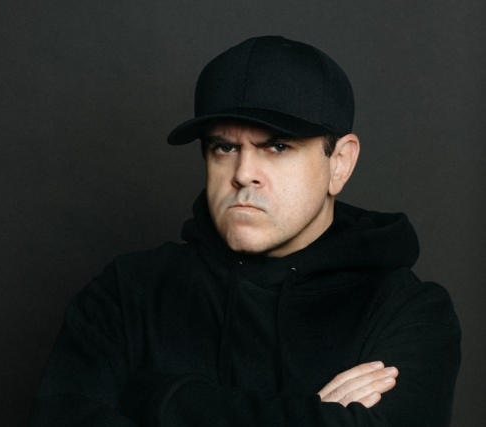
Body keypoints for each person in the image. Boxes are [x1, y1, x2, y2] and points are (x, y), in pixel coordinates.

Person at [29, 36, 461, 427]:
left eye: (278, 146)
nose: (243, 173)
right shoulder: (127, 292)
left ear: (340, 163)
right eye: (225, 147)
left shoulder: (408, 312)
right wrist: (311, 416)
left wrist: (162, 400)